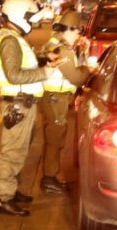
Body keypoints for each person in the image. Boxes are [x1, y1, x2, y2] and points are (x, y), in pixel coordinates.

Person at [0, 0, 64, 216]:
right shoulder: (10, 41)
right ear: (18, 15)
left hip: (23, 103)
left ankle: (12, 192)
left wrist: (44, 58)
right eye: (28, 19)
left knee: (19, 152)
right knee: (12, 153)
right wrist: (46, 73)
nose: (30, 23)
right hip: (18, 104)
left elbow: (26, 64)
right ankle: (5, 199)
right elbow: (14, 75)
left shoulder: (15, 38)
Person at [37, 9, 91, 194]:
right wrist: (89, 69)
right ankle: (49, 178)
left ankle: (50, 177)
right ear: (70, 29)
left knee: (53, 137)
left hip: (52, 98)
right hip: (55, 99)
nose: (78, 35)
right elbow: (76, 78)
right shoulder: (63, 50)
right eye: (78, 31)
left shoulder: (54, 43)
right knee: (55, 139)